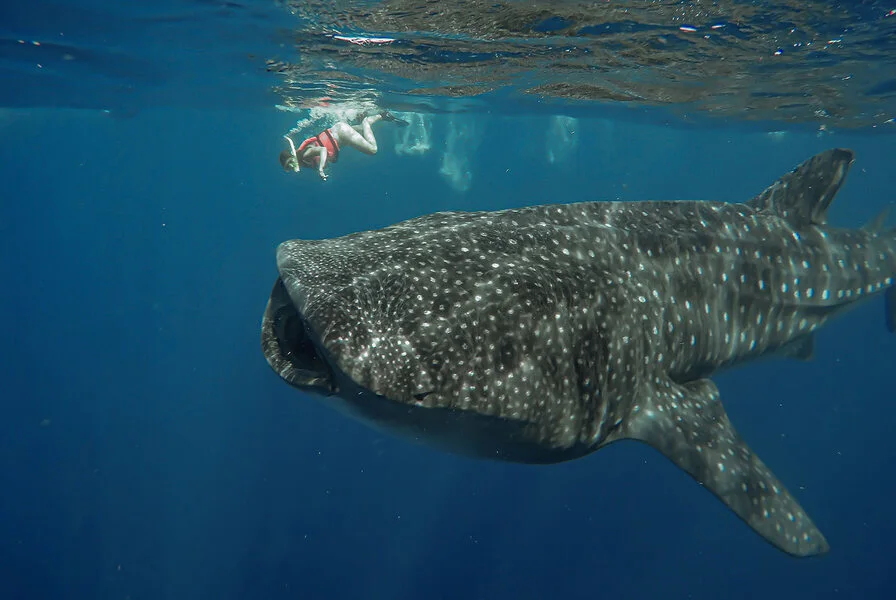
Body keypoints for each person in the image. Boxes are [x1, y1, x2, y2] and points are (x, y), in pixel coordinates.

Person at [279, 112, 407, 180]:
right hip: (339, 133)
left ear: (293, 156)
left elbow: (323, 149)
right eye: (288, 167)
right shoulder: (304, 161)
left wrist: (321, 169)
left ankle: (366, 119)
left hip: (341, 133)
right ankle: (383, 116)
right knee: (363, 130)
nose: (291, 166)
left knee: (373, 149)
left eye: (290, 162)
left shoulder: (304, 154)